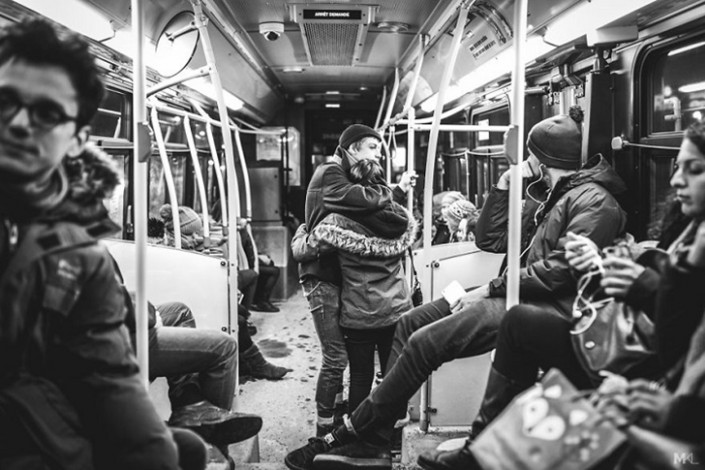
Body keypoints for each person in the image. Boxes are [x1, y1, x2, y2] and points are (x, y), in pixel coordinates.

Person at [285, 107, 628, 470]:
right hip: (508, 288)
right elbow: (490, 239)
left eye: (529, 155)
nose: (525, 162)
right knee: (409, 322)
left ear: (541, 160)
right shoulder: (548, 195)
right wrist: (503, 186)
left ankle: (355, 436)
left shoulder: (595, 201)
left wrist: (489, 288)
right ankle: (377, 438)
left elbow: (560, 273)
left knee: (424, 343)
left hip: (536, 303)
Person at [417, 118, 705, 470]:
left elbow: (682, 322)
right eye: (677, 168)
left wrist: (642, 287)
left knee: (471, 332)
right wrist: (599, 261)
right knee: (515, 323)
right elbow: (490, 238)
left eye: (694, 169)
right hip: (630, 344)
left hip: (643, 362)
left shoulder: (593, 200)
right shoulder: (687, 229)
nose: (676, 181)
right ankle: (483, 449)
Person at [0, 19, 183, 469]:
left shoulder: (77, 258)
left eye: (46, 113)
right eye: (5, 102)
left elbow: (109, 383)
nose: (18, 123)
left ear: (78, 140)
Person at [294, 123, 415, 437]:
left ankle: (341, 421)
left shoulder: (340, 214)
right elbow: (365, 201)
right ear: (351, 148)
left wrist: (300, 238)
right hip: (321, 276)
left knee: (350, 364)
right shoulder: (330, 172)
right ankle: (325, 430)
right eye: (372, 147)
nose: (378, 154)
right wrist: (390, 192)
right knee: (336, 358)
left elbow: (361, 208)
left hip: (337, 276)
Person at [237, 217, 281, 313]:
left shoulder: (241, 232)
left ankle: (260, 299)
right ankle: (261, 301)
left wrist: (259, 256)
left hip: (248, 262)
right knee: (274, 271)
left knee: (271, 264)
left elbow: (249, 250)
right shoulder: (238, 233)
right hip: (243, 265)